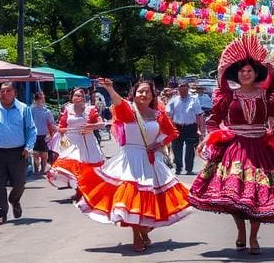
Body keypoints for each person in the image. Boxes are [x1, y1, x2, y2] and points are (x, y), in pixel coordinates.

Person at [189, 35, 274, 255]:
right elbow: (212, 120)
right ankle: (240, 231)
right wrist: (218, 135)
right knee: (234, 196)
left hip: (261, 148)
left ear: (256, 73)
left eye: (249, 71)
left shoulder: (268, 97)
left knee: (259, 194)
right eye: (241, 71)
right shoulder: (227, 97)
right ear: (236, 75)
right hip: (234, 148)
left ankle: (254, 238)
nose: (245, 74)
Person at [74, 78, 190, 252]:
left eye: (147, 92)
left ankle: (144, 230)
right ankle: (137, 234)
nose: (143, 95)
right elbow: (118, 102)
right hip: (130, 159)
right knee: (131, 197)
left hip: (150, 158)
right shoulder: (127, 110)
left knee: (150, 197)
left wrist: (157, 145)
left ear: (153, 95)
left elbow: (172, 133)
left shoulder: (158, 114)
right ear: (134, 94)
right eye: (140, 91)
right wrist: (110, 89)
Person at [0, 82, 36, 225]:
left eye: (8, 91)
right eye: (2, 91)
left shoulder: (23, 108)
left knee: (20, 182)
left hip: (18, 152)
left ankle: (14, 200)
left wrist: (28, 147)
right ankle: (1, 213)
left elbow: (31, 130)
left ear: (14, 93)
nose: (4, 94)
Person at [47, 87, 103, 189]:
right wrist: (56, 130)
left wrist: (90, 127)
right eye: (76, 95)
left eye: (80, 95)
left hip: (87, 141)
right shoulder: (67, 110)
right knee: (73, 164)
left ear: (84, 97)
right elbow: (62, 126)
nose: (78, 97)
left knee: (86, 166)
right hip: (71, 142)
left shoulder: (90, 109)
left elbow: (101, 124)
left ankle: (82, 190)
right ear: (72, 97)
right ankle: (78, 189)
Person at [166, 81, 205, 175]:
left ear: (188, 88)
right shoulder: (174, 100)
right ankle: (178, 168)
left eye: (184, 87)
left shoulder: (194, 99)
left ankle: (189, 169)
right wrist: (170, 128)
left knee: (190, 149)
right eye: (180, 87)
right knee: (176, 148)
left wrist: (200, 129)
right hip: (177, 127)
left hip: (191, 127)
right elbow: (168, 114)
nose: (182, 89)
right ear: (178, 89)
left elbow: (198, 114)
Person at [29, 92, 56, 175]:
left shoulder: (47, 111)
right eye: (39, 99)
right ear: (36, 100)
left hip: (45, 134)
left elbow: (51, 123)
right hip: (34, 135)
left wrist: (51, 134)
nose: (41, 101)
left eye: (42, 99)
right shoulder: (31, 110)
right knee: (35, 154)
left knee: (44, 154)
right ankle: (36, 170)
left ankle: (42, 170)